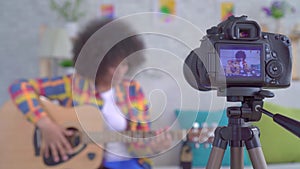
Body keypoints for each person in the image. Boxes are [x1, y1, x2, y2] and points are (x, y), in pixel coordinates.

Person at [9, 18, 171, 169]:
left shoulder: (133, 90)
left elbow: (140, 144)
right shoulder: (73, 85)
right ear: (97, 62)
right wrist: (46, 125)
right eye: (114, 65)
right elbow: (19, 87)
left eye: (125, 64)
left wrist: (156, 146)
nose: (121, 71)